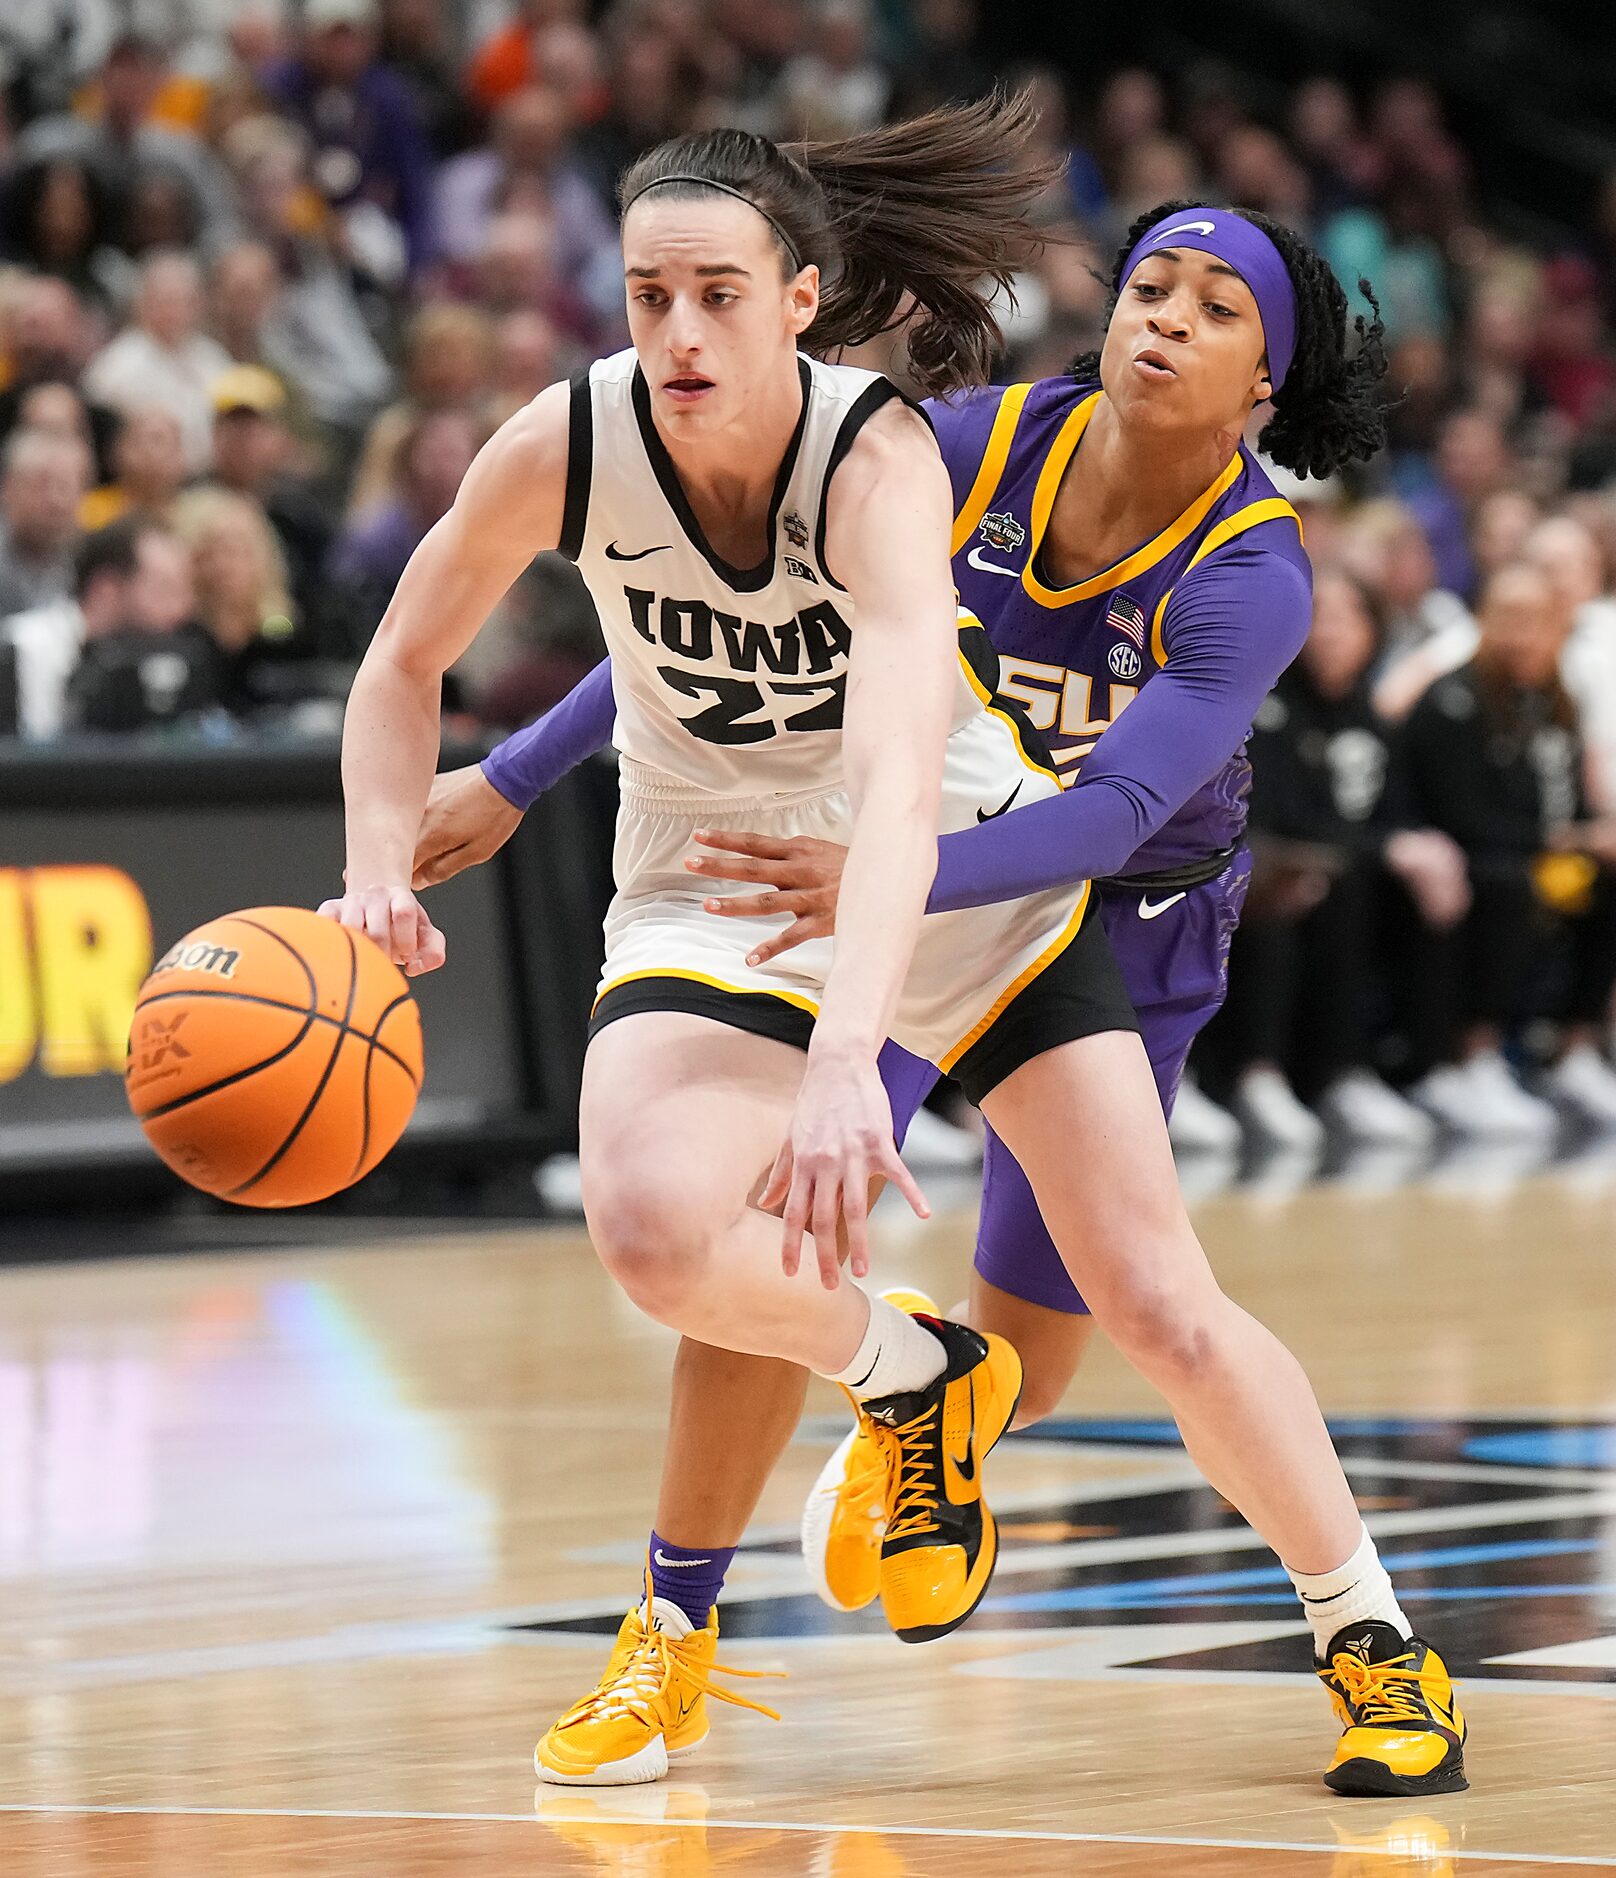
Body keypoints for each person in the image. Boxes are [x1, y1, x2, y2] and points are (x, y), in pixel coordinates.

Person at [414, 192, 1466, 1801]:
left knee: (1117, 1327)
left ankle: (1377, 1645)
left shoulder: (1251, 574)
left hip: (1100, 913)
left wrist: (880, 884)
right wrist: (514, 770)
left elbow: (1112, 819)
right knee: (773, 1235)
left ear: (1266, 379)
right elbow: (687, 621)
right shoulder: (961, 442)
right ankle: (677, 1626)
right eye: (1148, 285)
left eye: (1213, 309)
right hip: (880, 889)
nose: (1162, 318)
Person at [1402, 562, 1616, 1133]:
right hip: (1460, 859)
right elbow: (1463, 817)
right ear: (1483, 622)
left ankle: (1577, 1047)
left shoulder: (1555, 700)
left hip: (1543, 856)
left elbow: (1564, 795)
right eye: (1508, 618)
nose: (1522, 633)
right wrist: (1564, 839)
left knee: (1606, 876)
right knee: (1508, 883)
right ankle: (1475, 1055)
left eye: (1537, 619)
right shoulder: (1454, 701)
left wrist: (1592, 832)